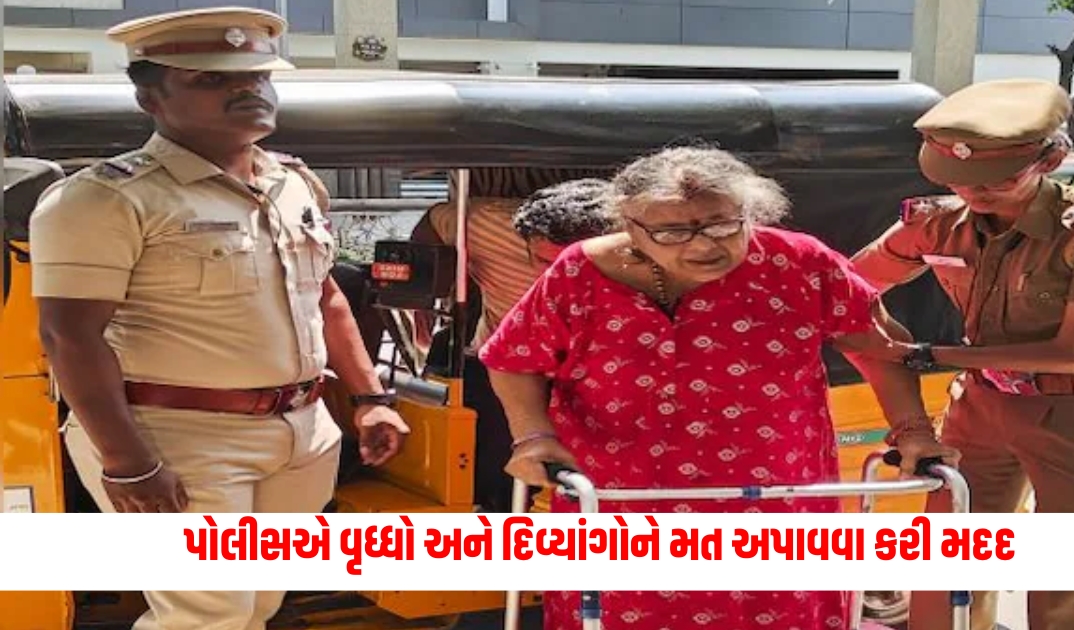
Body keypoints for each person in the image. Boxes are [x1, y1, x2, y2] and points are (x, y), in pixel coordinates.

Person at [28, 8, 407, 630]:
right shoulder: (104, 198)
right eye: (210, 79)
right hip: (176, 435)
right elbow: (69, 334)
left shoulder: (293, 182)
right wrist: (129, 462)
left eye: (258, 77)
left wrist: (370, 396)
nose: (246, 90)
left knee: (257, 604)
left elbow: (326, 297)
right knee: (207, 615)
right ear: (150, 97)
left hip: (302, 432)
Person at [478, 146, 960, 630]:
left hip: (775, 503)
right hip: (619, 504)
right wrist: (533, 436)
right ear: (629, 224)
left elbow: (877, 345)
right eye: (671, 232)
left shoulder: (799, 263)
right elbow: (513, 358)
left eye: (722, 225)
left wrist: (914, 430)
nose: (702, 245)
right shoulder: (580, 273)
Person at [850, 79, 1074, 630]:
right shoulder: (937, 222)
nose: (976, 192)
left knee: (1070, 584)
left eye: (998, 178)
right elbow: (848, 284)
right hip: (983, 407)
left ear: (1053, 158)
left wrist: (926, 353)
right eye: (959, 179)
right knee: (950, 564)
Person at [412, 175, 615, 511]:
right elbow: (433, 223)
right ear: (522, 240)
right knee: (497, 478)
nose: (561, 278)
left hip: (594, 376)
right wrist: (425, 289)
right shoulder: (484, 222)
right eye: (546, 263)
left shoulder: (647, 255)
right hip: (500, 370)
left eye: (577, 264)